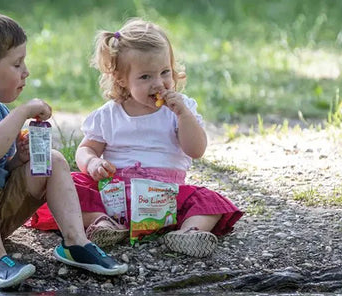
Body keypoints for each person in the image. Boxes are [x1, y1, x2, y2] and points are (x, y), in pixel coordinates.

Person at [0, 11, 127, 289]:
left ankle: (76, 242)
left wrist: (18, 160)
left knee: (52, 159)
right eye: (17, 64)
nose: (25, 71)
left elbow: (1, 168)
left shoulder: (0, 111)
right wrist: (23, 111)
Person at [28, 18, 242, 257]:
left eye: (165, 72)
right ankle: (102, 223)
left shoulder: (180, 111)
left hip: (166, 198)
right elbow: (86, 149)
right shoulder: (110, 114)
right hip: (115, 198)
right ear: (121, 79)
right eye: (145, 77)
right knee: (68, 188)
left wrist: (183, 115)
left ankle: (188, 233)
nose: (158, 84)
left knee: (207, 201)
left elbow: (196, 150)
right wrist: (92, 162)